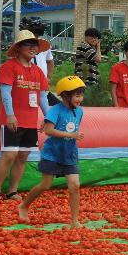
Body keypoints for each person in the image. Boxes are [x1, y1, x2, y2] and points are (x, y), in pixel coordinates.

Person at [0, 31, 51, 201]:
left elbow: (43, 97)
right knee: (9, 154)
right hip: (12, 120)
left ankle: (12, 191)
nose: (32, 47)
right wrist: (10, 115)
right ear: (18, 48)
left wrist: (49, 118)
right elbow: (5, 93)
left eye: (35, 45)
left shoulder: (38, 71)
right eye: (28, 44)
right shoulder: (9, 67)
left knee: (23, 156)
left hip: (31, 121)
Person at [17, 76, 86, 227]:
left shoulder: (80, 112)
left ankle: (74, 220)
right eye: (76, 95)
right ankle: (24, 205)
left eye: (81, 94)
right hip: (52, 153)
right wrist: (71, 135)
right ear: (65, 96)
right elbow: (48, 130)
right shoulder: (55, 110)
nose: (80, 98)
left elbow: (73, 127)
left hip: (69, 153)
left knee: (74, 185)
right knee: (45, 185)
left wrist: (72, 137)